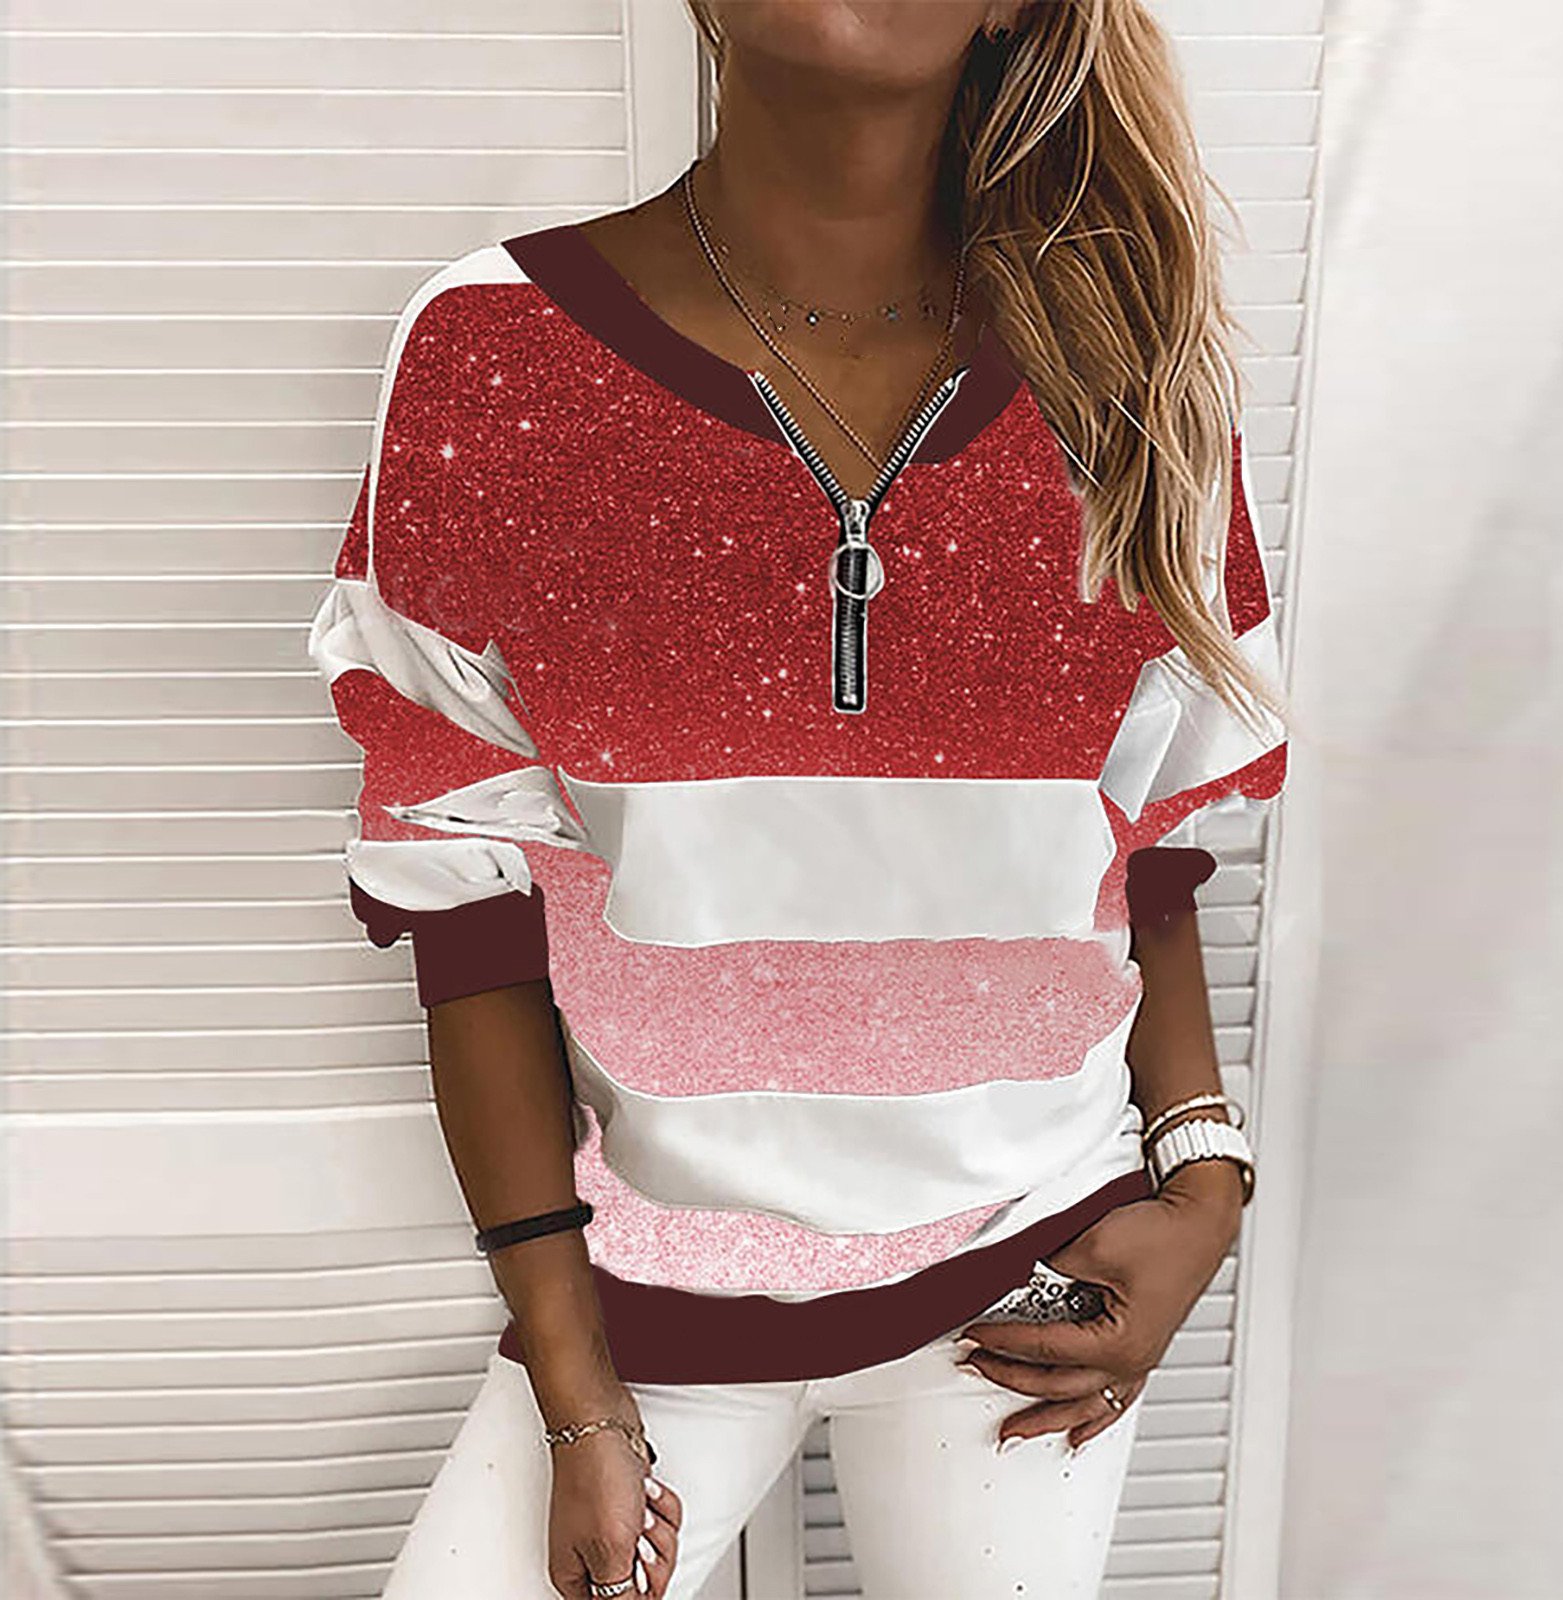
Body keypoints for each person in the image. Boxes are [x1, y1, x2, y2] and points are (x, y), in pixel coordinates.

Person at [306, 3, 1294, 1595]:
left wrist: (1206, 1182)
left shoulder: (1134, 369)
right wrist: (575, 1392)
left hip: (1033, 1279)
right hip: (645, 1305)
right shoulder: (490, 349)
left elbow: (1148, 846)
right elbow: (462, 898)